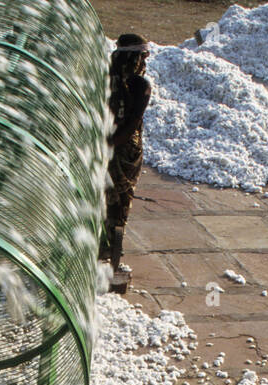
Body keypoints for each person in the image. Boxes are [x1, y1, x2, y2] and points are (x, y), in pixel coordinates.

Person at [101, 34, 152, 279]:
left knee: (105, 197)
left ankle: (104, 244)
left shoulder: (105, 79)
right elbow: (132, 124)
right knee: (120, 199)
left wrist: (103, 145)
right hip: (125, 152)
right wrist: (111, 145)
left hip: (104, 146)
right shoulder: (140, 86)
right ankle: (112, 249)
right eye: (143, 56)